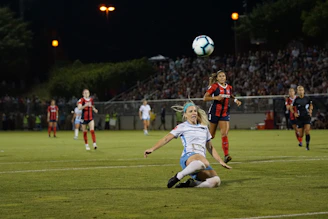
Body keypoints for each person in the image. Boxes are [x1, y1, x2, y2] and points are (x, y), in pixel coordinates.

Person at [144, 102, 231, 188]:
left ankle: (191, 184)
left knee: (216, 181)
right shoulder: (182, 126)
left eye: (195, 111)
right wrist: (152, 148)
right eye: (190, 111)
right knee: (203, 162)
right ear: (185, 115)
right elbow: (166, 138)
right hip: (188, 157)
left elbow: (210, 147)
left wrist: (220, 161)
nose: (194, 113)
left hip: (199, 162)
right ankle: (178, 176)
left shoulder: (204, 127)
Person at [203, 71, 242, 163]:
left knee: (224, 134)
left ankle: (226, 155)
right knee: (211, 136)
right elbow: (205, 98)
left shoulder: (229, 87)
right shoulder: (214, 87)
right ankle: (199, 144)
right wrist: (215, 98)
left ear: (225, 77)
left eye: (223, 76)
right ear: (217, 78)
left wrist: (236, 100)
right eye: (220, 76)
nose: (222, 77)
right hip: (214, 113)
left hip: (224, 113)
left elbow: (230, 95)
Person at [290, 86, 313, 150]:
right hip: (300, 118)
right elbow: (291, 107)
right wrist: (294, 113)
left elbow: (311, 105)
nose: (301, 91)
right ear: (297, 91)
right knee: (301, 135)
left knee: (307, 131)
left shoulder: (307, 98)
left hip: (307, 117)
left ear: (304, 91)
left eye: (302, 90)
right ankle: (299, 136)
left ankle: (307, 146)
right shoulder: (296, 100)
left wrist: (310, 110)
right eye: (299, 90)